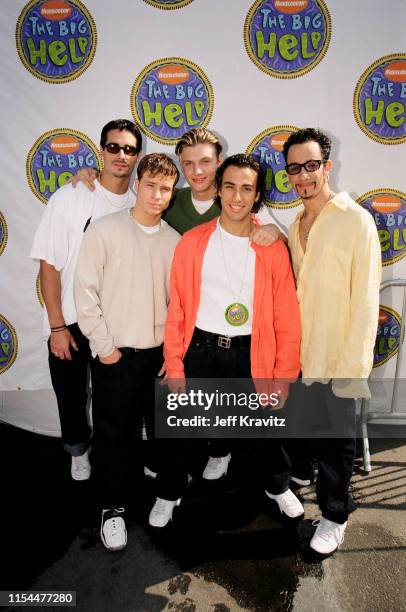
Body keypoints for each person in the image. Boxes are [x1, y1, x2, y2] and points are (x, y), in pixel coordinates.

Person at [70, 127, 280, 481]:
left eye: (206, 162)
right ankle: (152, 483)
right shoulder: (173, 200)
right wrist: (91, 174)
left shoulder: (235, 198)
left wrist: (274, 230)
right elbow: (137, 213)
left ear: (219, 163)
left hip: (232, 333)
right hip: (180, 334)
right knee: (164, 419)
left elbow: (262, 228)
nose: (197, 171)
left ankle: (221, 452)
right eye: (188, 164)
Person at [148, 154, 302, 528]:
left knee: (268, 429)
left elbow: (286, 316)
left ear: (257, 195)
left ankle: (278, 486)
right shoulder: (192, 243)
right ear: (218, 189)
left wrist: (283, 375)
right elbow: (178, 311)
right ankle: (168, 492)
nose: (237, 196)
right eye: (229, 186)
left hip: (254, 351)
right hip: (201, 349)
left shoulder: (271, 247)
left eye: (246, 188)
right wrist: (175, 363)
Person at [280, 128, 381, 556]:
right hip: (301, 356)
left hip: (338, 359)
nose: (302, 176)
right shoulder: (294, 222)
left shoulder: (356, 220)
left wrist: (353, 371)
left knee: (338, 446)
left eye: (310, 165)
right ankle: (303, 479)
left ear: (327, 165)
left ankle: (336, 516)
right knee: (308, 435)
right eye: (293, 169)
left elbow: (365, 301)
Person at [74, 153, 180, 551]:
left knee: (162, 435)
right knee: (113, 437)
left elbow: (179, 306)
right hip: (114, 354)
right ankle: (112, 508)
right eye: (150, 185)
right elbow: (84, 293)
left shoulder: (174, 241)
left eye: (165, 189)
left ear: (172, 194)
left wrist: (172, 356)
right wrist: (105, 350)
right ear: (137, 184)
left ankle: (165, 496)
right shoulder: (104, 230)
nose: (156, 195)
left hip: (157, 358)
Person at [30, 119, 142, 480]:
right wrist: (57, 326)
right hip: (72, 320)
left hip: (120, 324)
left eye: (129, 149)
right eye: (113, 147)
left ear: (138, 156)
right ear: (101, 150)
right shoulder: (71, 197)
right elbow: (49, 265)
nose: (121, 155)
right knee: (71, 395)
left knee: (119, 398)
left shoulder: (142, 202)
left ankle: (124, 451)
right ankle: (78, 449)